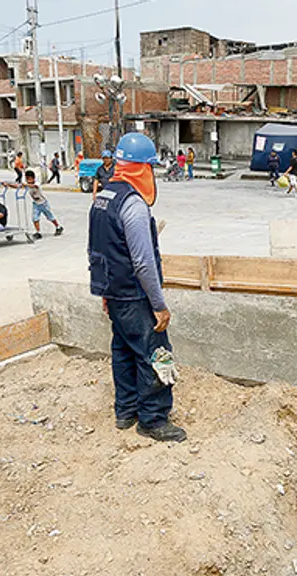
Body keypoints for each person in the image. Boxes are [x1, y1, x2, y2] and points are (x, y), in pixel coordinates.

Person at [89, 133, 187, 443]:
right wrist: (159, 304)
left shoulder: (103, 198)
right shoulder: (133, 205)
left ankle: (125, 411)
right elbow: (143, 262)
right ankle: (153, 419)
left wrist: (106, 293)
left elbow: (99, 250)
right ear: (143, 168)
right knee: (156, 353)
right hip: (135, 294)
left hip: (115, 293)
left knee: (123, 351)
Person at [7, 170, 62, 239]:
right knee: (35, 218)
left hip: (43, 203)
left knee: (50, 217)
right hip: (36, 204)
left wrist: (26, 184)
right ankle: (38, 232)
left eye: (29, 179)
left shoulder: (37, 184)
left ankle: (58, 227)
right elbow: (17, 186)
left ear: (33, 178)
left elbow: (34, 186)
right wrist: (8, 185)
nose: (28, 180)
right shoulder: (27, 185)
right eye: (27, 179)